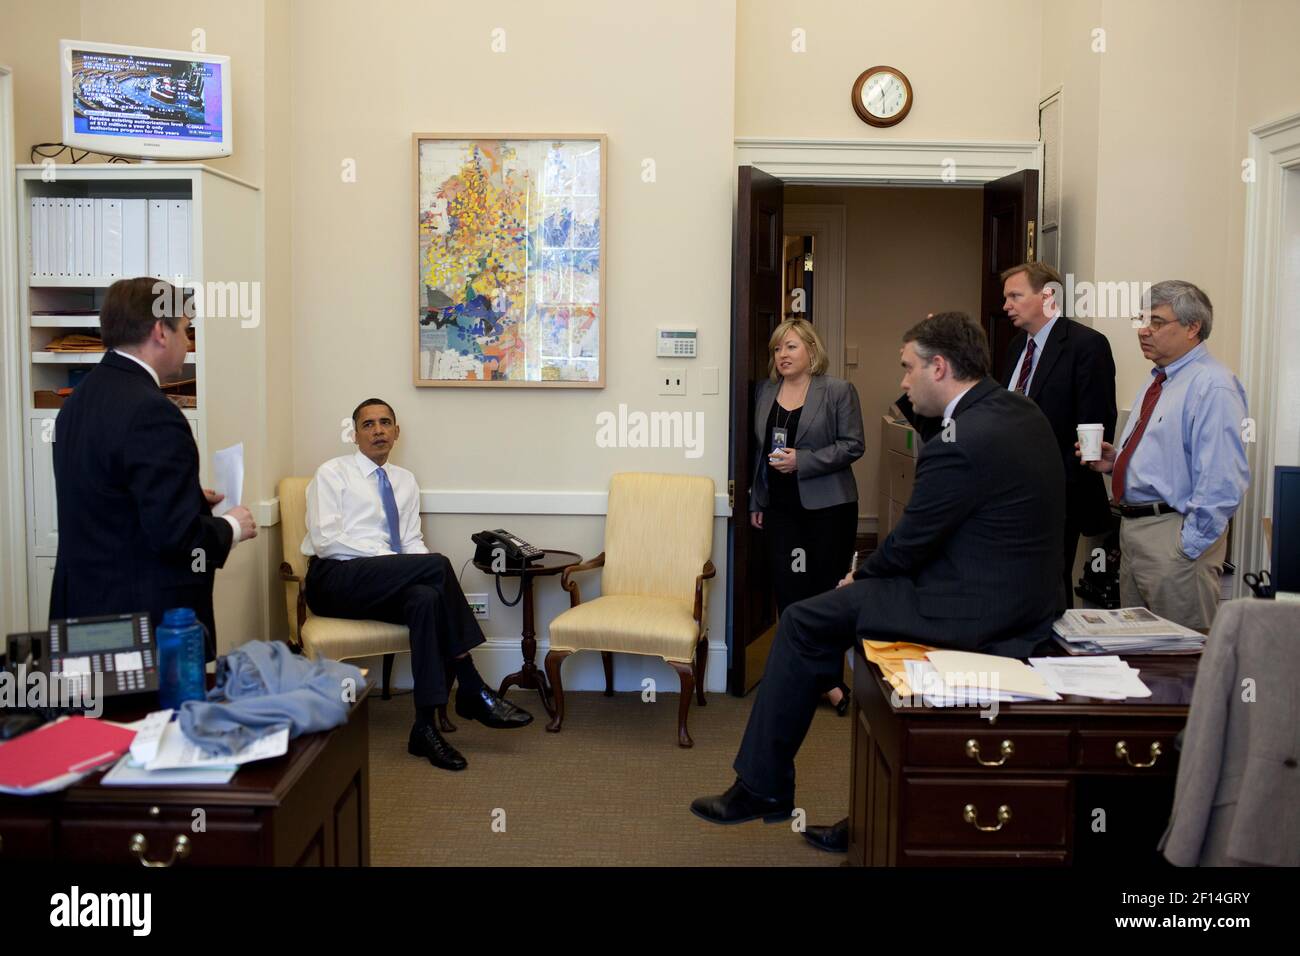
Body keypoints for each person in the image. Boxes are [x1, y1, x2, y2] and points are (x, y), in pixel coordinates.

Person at [691, 312, 1064, 850]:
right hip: (1018, 593)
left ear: (940, 366)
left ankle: (763, 788)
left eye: (909, 369)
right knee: (844, 624)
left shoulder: (961, 442)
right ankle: (872, 809)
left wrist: (858, 574)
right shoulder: (1016, 410)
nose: (904, 383)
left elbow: (911, 540)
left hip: (976, 607)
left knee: (802, 620)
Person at [302, 398, 533, 772]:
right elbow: (326, 540)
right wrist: (396, 564)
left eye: (385, 423)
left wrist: (411, 567)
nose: (378, 430)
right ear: (354, 433)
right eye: (368, 424)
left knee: (427, 597)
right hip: (335, 579)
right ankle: (471, 686)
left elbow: (411, 542)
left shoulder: (405, 481)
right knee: (437, 566)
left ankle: (423, 729)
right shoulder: (331, 474)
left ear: (396, 432)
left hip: (382, 583)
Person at [50, 277, 257, 661]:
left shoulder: (76, 403)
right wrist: (231, 527)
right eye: (185, 329)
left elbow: (111, 499)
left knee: (106, 722)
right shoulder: (153, 412)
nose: (188, 341)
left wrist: (191, 498)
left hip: (83, 611)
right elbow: (174, 537)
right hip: (143, 624)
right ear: (161, 331)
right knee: (156, 721)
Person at [1079, 280, 1249, 631]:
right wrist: (1118, 461)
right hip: (1133, 530)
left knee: (1179, 663)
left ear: (1192, 327)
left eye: (1156, 322)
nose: (1144, 331)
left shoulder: (1213, 385)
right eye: (1141, 320)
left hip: (1173, 536)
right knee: (1139, 655)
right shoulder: (1159, 379)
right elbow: (1167, 455)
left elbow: (1223, 478)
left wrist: (1187, 547)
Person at [748, 318, 865, 714]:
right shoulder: (765, 392)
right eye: (778, 349)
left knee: (826, 595)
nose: (783, 355)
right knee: (790, 595)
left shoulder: (837, 391)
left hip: (829, 509)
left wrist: (804, 461)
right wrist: (756, 501)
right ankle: (803, 677)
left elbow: (853, 445)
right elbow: (758, 456)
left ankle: (830, 680)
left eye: (791, 347)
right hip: (781, 510)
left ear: (811, 350)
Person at [1000, 262, 1117, 606]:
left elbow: (1095, 424)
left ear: (1048, 295)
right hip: (1010, 492)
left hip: (1058, 495)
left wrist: (1049, 483)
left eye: (1015, 296)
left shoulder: (1086, 345)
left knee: (1050, 586)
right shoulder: (1015, 349)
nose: (1006, 305)